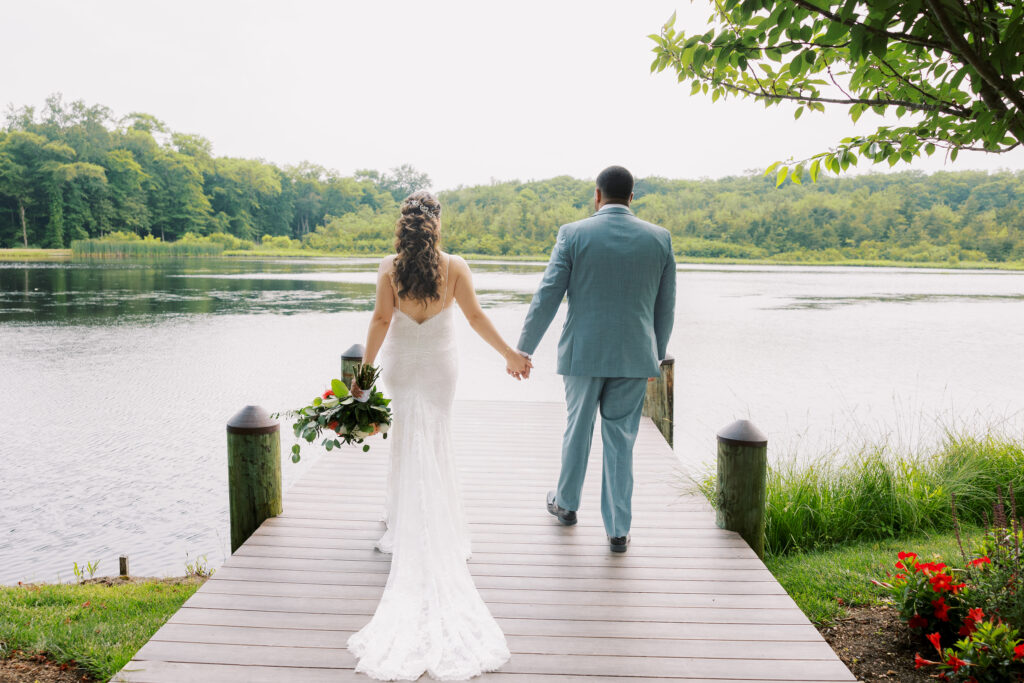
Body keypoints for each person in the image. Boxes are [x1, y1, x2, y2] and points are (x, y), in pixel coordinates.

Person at [347, 191, 524, 680]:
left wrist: (363, 376)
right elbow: (475, 317)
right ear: (437, 224)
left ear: (403, 225)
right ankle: (432, 520)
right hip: (441, 368)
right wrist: (510, 354)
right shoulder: (456, 267)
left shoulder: (389, 267)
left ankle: (403, 521)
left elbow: (382, 320)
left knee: (408, 441)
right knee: (437, 440)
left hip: (404, 367)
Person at [516, 165, 676, 553]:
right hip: (634, 356)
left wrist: (524, 348)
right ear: (632, 197)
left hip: (583, 354)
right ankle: (618, 529)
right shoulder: (659, 239)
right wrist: (655, 356)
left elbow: (548, 294)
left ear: (597, 195)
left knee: (578, 429)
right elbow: (666, 306)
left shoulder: (573, 234)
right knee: (620, 439)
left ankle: (566, 505)